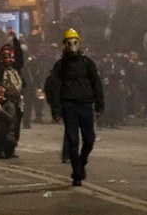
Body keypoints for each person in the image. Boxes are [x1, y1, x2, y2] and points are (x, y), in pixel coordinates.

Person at [45, 28, 104, 186]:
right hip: (69, 105)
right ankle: (77, 173)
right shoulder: (60, 66)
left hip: (85, 105)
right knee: (72, 140)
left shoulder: (87, 63)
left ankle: (81, 162)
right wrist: (56, 110)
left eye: (75, 42)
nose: (72, 45)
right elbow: (55, 88)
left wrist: (99, 104)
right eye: (69, 42)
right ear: (64, 45)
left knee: (89, 140)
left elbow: (96, 83)